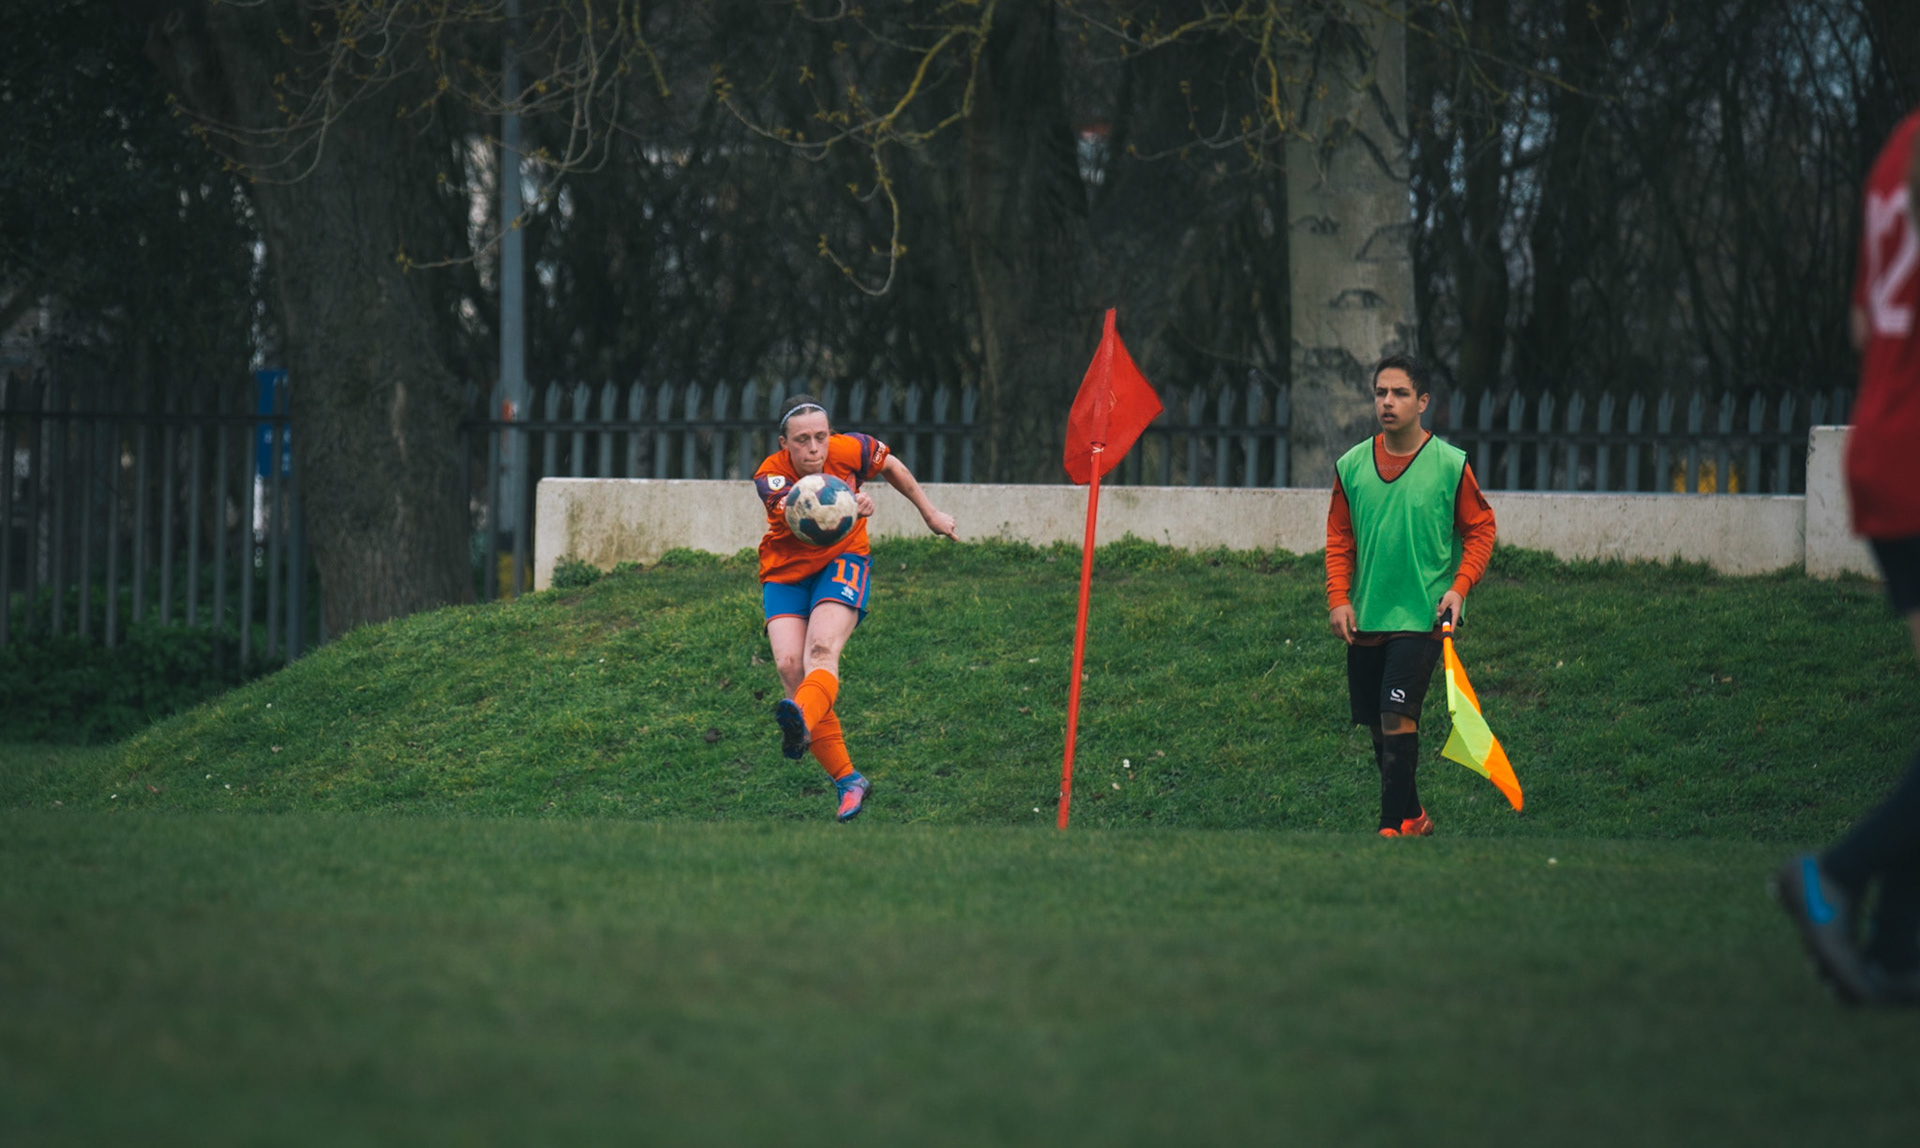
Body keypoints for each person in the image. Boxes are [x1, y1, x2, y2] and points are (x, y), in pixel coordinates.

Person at [1773, 107, 1920, 1006]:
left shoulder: (1898, 151)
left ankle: (1900, 954)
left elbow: (1868, 329)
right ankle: (1831, 876)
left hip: (1890, 450)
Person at [753, 394, 959, 821]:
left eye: (821, 437)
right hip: (786, 572)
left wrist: (930, 513)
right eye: (802, 440)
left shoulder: (851, 448)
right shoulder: (770, 477)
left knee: (822, 653)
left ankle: (799, 724)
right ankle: (849, 781)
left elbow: (892, 467)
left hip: (842, 562)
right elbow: (808, 509)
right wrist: (849, 502)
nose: (814, 448)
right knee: (791, 667)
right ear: (783, 443)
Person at [1325, 355, 1498, 837]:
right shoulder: (1351, 465)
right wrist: (1339, 596)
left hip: (1421, 615)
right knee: (1380, 729)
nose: (1387, 402)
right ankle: (1415, 818)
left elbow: (1481, 529)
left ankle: (1387, 829)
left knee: (1397, 715)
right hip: (1367, 617)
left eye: (1399, 393)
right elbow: (1340, 537)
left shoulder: (1449, 464)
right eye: (1381, 392)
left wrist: (1459, 588)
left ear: (1422, 402)